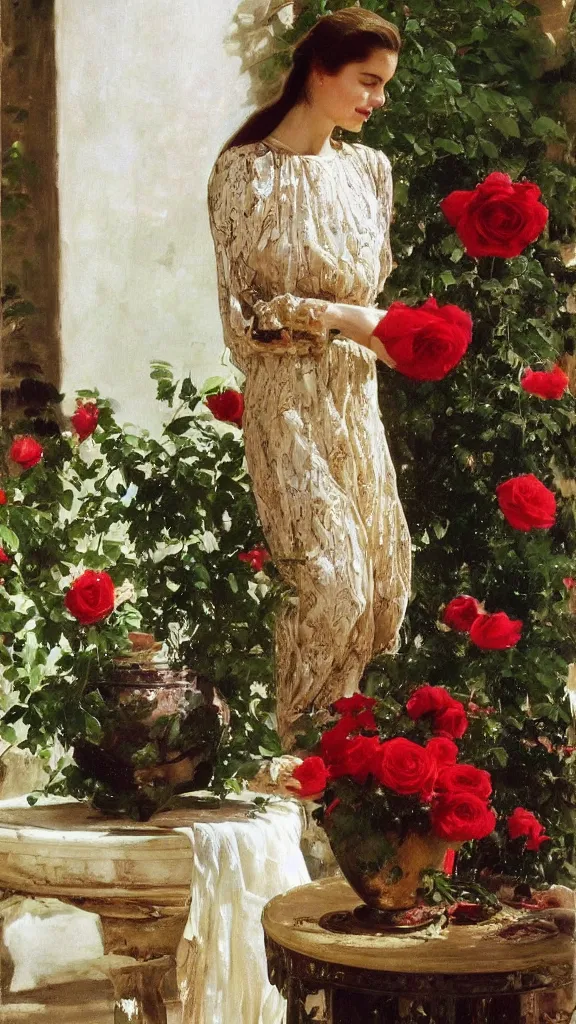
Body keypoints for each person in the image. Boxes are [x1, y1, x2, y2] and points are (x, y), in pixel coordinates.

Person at [207, 7, 411, 752]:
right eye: (367, 81)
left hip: (356, 399)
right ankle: (295, 755)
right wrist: (340, 317)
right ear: (318, 71)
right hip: (286, 399)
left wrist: (407, 341)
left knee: (383, 590)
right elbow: (244, 320)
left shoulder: (370, 171)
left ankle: (338, 764)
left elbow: (375, 306)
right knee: (333, 582)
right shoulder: (246, 171)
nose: (377, 100)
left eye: (383, 86)